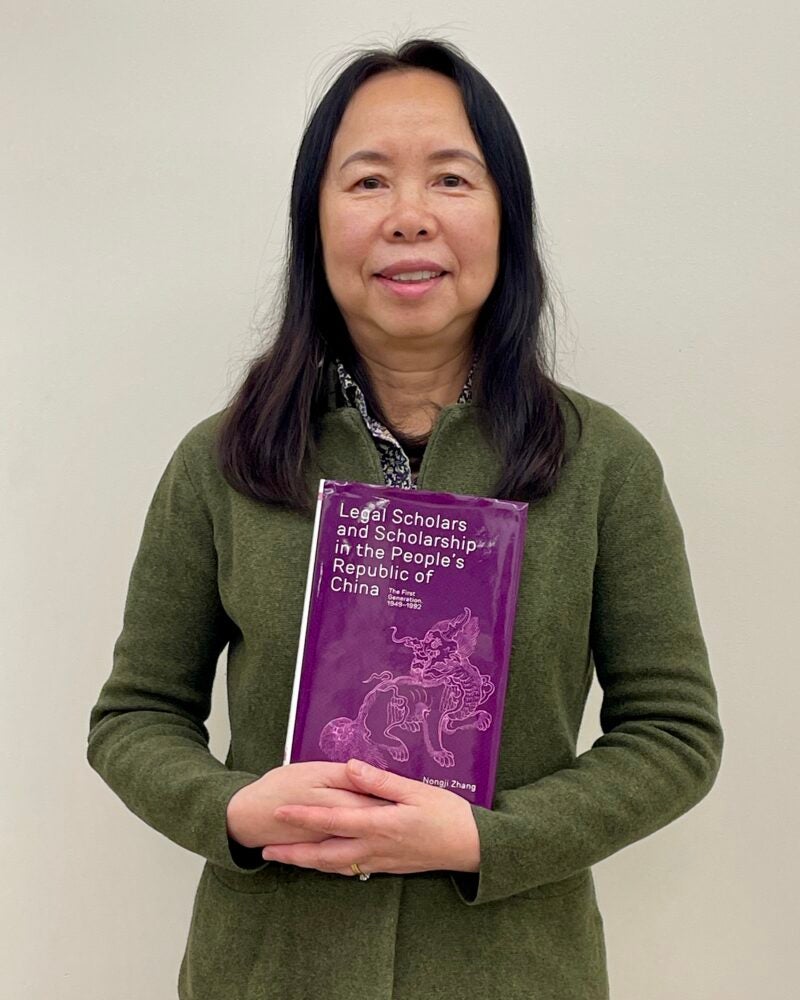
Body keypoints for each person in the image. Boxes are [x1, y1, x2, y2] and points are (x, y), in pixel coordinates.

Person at [86, 36, 724, 1000]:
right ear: (315, 222)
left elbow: (674, 734)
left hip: (515, 971)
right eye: (369, 181)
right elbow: (134, 716)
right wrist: (233, 810)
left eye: (453, 180)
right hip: (268, 968)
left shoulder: (604, 464)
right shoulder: (220, 462)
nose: (410, 218)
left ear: (508, 217)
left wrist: (485, 839)